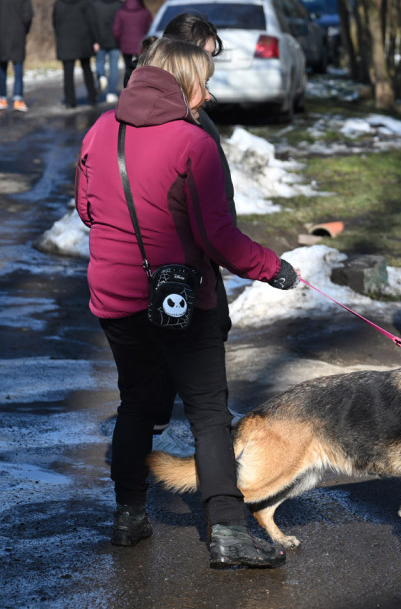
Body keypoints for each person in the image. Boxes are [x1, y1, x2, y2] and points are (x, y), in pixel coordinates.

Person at [75, 37, 301, 569]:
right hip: (178, 297)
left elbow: (85, 209)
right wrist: (274, 267)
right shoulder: (192, 142)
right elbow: (219, 237)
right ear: (184, 81)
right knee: (206, 414)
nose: (208, 92)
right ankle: (226, 530)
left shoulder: (99, 130)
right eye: (204, 79)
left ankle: (129, 516)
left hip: (114, 295)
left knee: (135, 403)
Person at [142, 13, 236, 454]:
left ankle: (163, 417)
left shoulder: (194, 119)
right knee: (190, 340)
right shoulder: (184, 127)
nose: (212, 82)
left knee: (197, 331)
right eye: (206, 59)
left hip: (200, 251)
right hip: (184, 257)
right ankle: (205, 430)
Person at [52, 0, 97, 108]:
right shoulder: (85, 2)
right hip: (84, 41)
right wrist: (95, 40)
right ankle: (92, 98)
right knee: (87, 69)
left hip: (65, 41)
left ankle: (70, 102)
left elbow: (55, 23)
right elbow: (92, 21)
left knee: (68, 73)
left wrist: (61, 36)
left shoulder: (59, 3)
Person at [0, 0, 33, 112]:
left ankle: (2, 99)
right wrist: (24, 30)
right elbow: (28, 16)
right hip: (17, 35)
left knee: (1, 69)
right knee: (18, 68)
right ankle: (18, 100)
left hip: (1, 36)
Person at [89, 0, 123, 101]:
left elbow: (91, 24)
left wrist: (94, 40)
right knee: (114, 67)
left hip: (99, 41)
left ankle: (101, 77)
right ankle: (111, 93)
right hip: (115, 41)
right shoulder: (119, 3)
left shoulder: (94, 4)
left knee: (99, 62)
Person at [113, 0, 153, 82]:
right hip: (141, 45)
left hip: (126, 45)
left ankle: (129, 86)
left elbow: (116, 30)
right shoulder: (145, 12)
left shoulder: (121, 12)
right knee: (141, 68)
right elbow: (151, 27)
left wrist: (121, 41)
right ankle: (141, 85)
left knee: (128, 68)